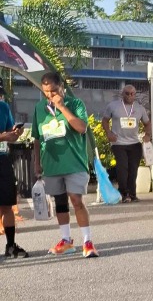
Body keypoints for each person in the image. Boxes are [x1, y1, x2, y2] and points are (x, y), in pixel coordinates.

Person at [32, 71, 98, 258]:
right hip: (52, 165)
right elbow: (37, 138)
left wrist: (61, 107)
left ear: (62, 87)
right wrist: (37, 162)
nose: (49, 95)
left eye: (53, 91)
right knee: (60, 202)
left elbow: (81, 128)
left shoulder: (76, 104)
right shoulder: (39, 108)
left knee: (76, 200)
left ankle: (87, 242)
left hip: (74, 163)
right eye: (45, 92)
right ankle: (66, 240)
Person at [102, 84, 151, 203]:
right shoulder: (113, 106)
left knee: (133, 170)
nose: (129, 96)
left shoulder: (140, 108)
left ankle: (132, 194)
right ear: (122, 94)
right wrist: (108, 133)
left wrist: (147, 135)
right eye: (127, 93)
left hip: (134, 143)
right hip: (118, 143)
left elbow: (147, 123)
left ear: (135, 95)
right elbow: (105, 120)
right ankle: (124, 193)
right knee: (122, 168)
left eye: (132, 94)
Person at [0, 94, 27, 258]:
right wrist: (2, 136)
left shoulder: (3, 107)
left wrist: (16, 133)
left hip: (3, 159)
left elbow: (10, 134)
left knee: (7, 205)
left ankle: (10, 246)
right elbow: (3, 136)